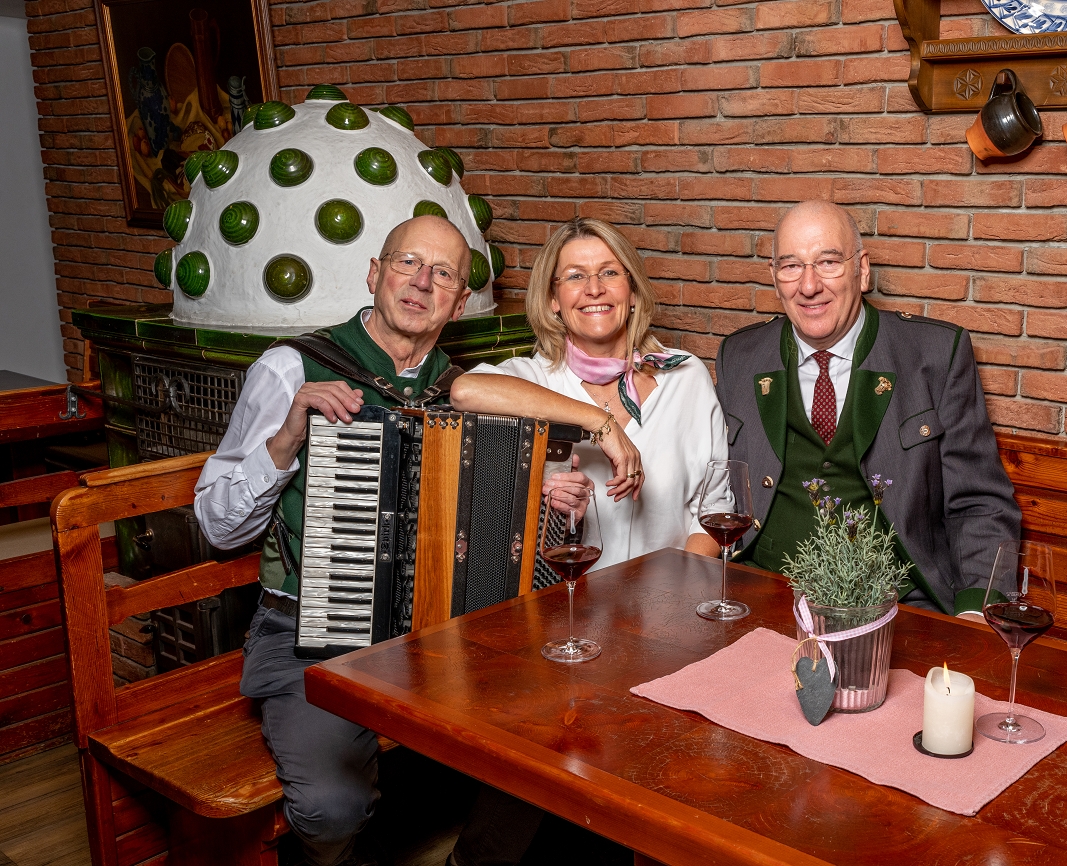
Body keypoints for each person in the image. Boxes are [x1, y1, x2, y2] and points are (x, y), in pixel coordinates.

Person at [193, 214, 641, 866]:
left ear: (459, 303)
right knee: (330, 809)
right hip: (310, 637)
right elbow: (217, 524)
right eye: (407, 263)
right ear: (375, 273)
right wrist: (286, 440)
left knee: (561, 719)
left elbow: (472, 510)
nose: (421, 282)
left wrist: (540, 500)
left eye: (443, 274)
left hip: (431, 636)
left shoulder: (457, 387)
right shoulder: (292, 368)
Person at [715, 200, 1020, 617]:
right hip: (764, 592)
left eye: (828, 262)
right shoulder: (738, 355)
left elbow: (980, 503)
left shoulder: (935, 354)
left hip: (900, 606)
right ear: (774, 277)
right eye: (791, 266)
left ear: (862, 270)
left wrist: (976, 612)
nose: (808, 285)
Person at [452, 216, 728, 565]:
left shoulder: (686, 376)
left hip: (672, 592)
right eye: (575, 276)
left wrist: (677, 588)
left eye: (609, 272)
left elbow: (713, 509)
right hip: (571, 594)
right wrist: (600, 422)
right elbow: (464, 390)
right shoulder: (535, 378)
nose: (594, 289)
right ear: (553, 299)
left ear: (632, 291)